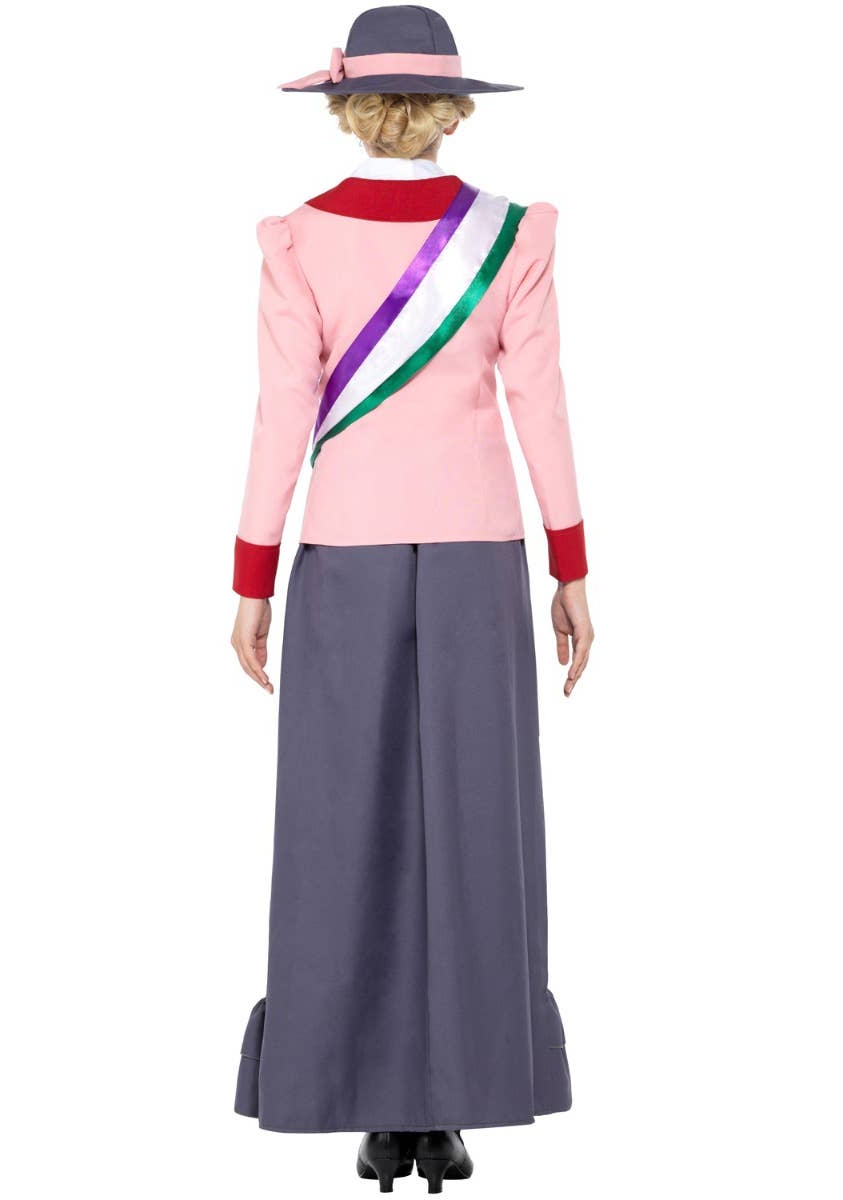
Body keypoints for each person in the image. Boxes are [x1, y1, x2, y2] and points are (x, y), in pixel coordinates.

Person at [229, 6, 594, 1191]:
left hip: (344, 555)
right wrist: (572, 566)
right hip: (484, 555)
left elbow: (282, 420)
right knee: (483, 826)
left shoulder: (297, 241)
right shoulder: (513, 234)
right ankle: (459, 1098)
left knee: (340, 826)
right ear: (454, 111)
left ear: (346, 110)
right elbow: (541, 406)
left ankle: (363, 1096)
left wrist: (250, 577)